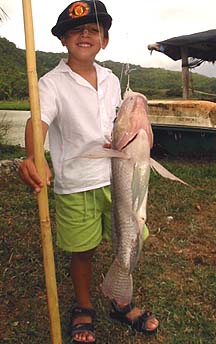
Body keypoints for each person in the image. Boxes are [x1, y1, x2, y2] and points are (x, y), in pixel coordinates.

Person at [19, 1, 159, 342]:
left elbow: (117, 128)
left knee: (129, 242)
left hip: (117, 178)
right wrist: (32, 156)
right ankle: (83, 305)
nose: (86, 35)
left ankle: (120, 299)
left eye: (94, 30)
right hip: (76, 183)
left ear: (104, 41)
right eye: (76, 30)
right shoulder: (51, 84)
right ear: (64, 40)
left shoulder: (112, 79)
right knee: (82, 250)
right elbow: (37, 121)